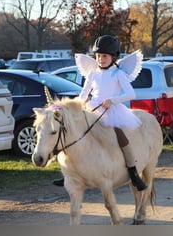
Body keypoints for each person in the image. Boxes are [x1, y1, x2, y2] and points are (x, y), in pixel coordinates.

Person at [52, 35, 147, 191]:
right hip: (92, 109)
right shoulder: (92, 73)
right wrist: (72, 106)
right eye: (98, 56)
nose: (100, 59)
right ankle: (68, 173)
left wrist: (113, 100)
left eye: (104, 56)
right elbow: (83, 95)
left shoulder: (118, 74)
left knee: (121, 138)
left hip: (112, 110)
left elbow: (131, 94)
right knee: (73, 135)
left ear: (113, 56)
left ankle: (133, 173)